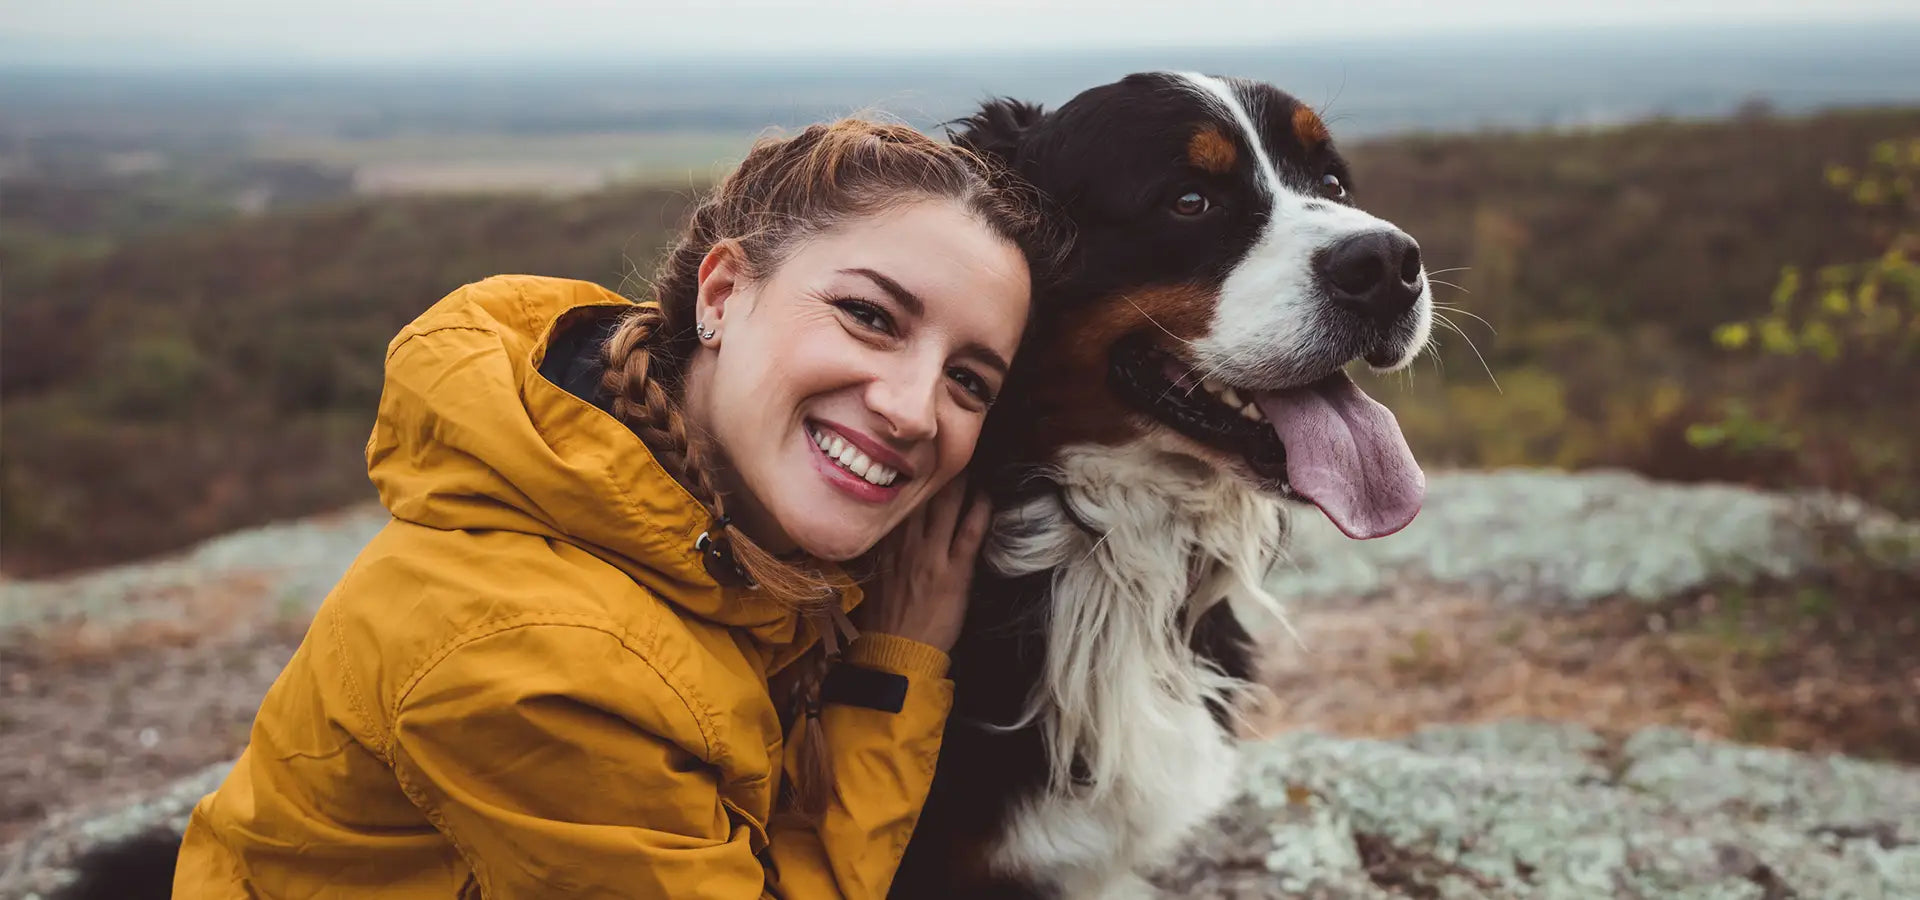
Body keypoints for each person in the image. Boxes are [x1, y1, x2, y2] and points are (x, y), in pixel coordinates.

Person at [170, 119, 1058, 898]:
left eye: (968, 380)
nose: (912, 408)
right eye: (869, 315)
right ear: (722, 295)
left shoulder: (695, 512)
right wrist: (886, 678)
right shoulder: (545, 662)